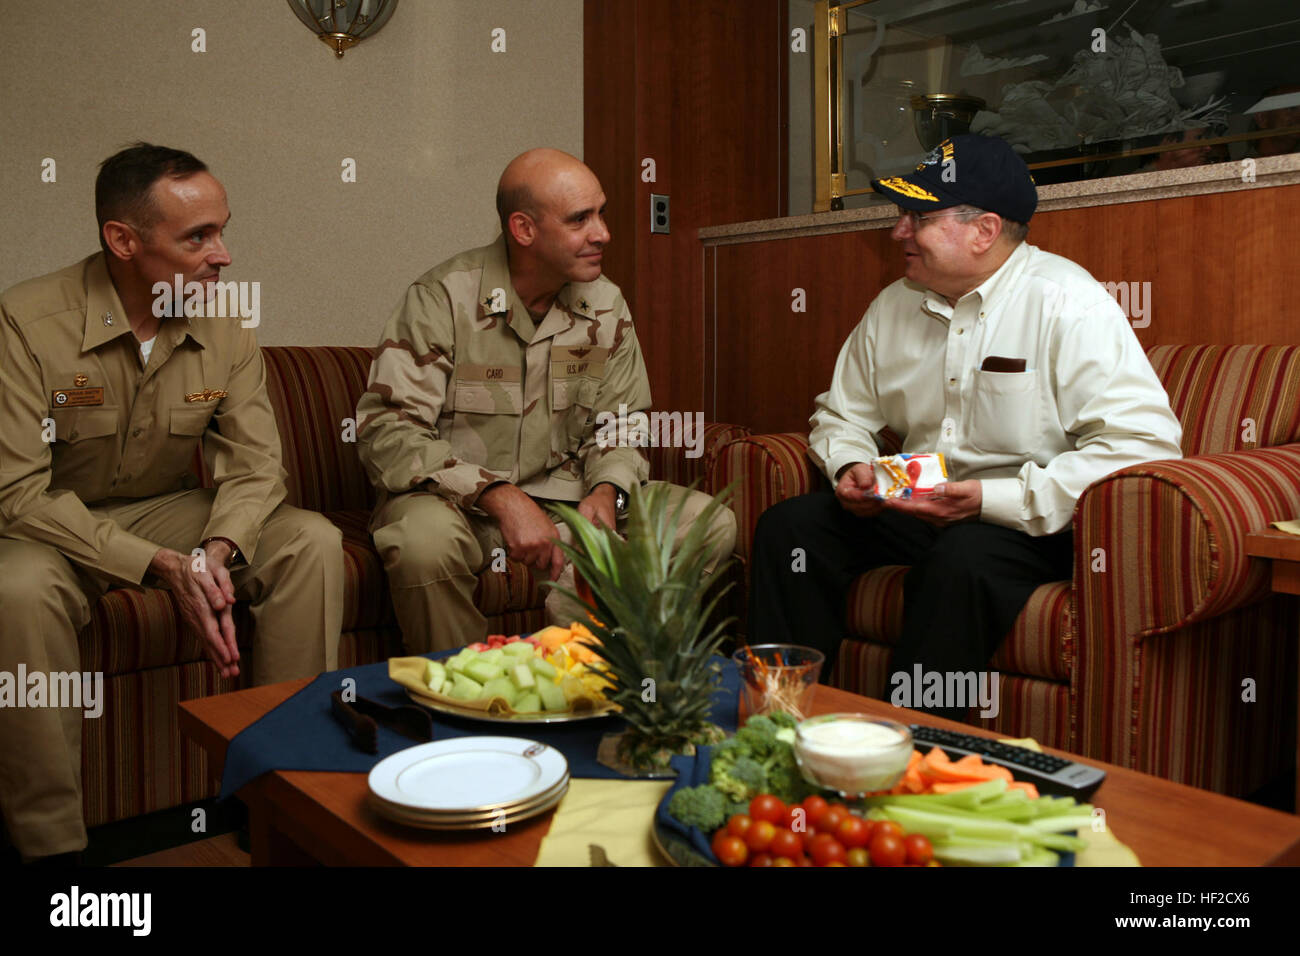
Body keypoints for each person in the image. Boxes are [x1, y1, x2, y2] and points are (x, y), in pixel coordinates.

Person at [747, 134, 1182, 719]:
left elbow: (1143, 446)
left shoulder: (1068, 303)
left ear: (984, 231)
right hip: (918, 498)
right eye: (903, 215)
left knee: (960, 562)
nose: (899, 232)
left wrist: (991, 498)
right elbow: (842, 414)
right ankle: (778, 719)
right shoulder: (895, 304)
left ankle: (916, 747)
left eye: (917, 217)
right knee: (791, 527)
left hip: (1029, 519)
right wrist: (851, 464)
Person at [0, 143, 344, 864]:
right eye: (198, 237)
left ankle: (279, 802)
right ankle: (51, 848)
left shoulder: (224, 325)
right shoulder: (27, 321)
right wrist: (159, 566)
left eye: (222, 230)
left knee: (308, 540)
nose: (223, 256)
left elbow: (256, 467)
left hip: (164, 507)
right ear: (123, 241)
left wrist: (213, 551)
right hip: (49, 527)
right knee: (17, 589)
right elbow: (18, 492)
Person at [357, 148, 735, 652]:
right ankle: (467, 693)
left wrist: (608, 489)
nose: (602, 233)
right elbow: (389, 431)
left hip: (569, 498)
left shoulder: (605, 303)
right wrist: (500, 496)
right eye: (580, 219)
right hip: (457, 509)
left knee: (710, 522)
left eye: (601, 213)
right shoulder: (442, 299)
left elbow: (622, 424)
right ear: (524, 229)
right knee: (422, 543)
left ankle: (604, 664)